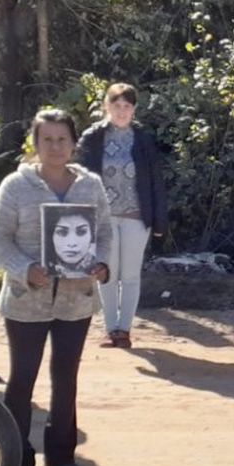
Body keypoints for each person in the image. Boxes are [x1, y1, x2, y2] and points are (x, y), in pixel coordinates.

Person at [0, 108, 112, 466]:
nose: (55, 147)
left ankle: (62, 457)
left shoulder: (90, 186)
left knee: (66, 377)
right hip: (27, 300)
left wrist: (102, 263)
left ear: (74, 143)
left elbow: (104, 233)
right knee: (22, 378)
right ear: (35, 143)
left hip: (76, 300)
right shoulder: (15, 186)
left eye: (62, 139)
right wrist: (26, 269)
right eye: (47, 140)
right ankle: (17, 461)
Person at [76, 82, 169, 349]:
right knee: (107, 273)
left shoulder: (143, 140)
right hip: (102, 218)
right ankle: (109, 328)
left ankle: (123, 331)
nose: (121, 111)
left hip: (136, 216)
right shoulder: (92, 138)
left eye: (126, 106)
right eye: (116, 105)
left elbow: (155, 182)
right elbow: (79, 177)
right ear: (106, 106)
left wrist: (160, 221)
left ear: (134, 109)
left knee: (129, 275)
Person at [46, 208, 98, 276]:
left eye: (82, 232)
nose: (72, 243)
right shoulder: (41, 267)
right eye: (62, 232)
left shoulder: (100, 264)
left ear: (92, 235)